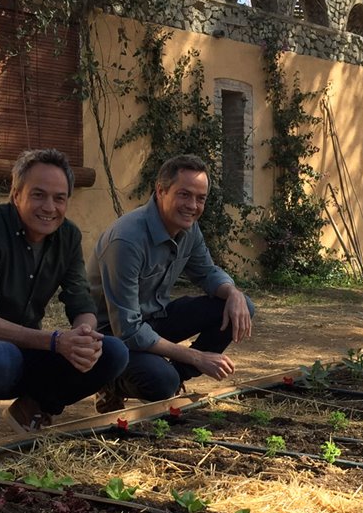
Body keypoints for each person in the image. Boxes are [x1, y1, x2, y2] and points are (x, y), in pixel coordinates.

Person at [0, 148, 128, 444]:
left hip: (24, 350)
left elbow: (81, 301)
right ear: (16, 193)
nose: (49, 207)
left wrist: (84, 336)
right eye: (38, 195)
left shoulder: (68, 236)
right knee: (0, 357)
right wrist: (56, 342)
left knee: (113, 352)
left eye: (59, 198)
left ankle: (33, 408)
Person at [88, 154, 254, 411]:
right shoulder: (126, 241)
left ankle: (174, 376)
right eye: (184, 195)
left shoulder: (188, 228)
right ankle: (110, 382)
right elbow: (128, 330)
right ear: (161, 191)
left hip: (154, 319)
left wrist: (233, 292)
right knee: (161, 382)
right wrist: (198, 357)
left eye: (201, 198)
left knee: (239, 306)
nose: (193, 206)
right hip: (112, 338)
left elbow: (207, 273)